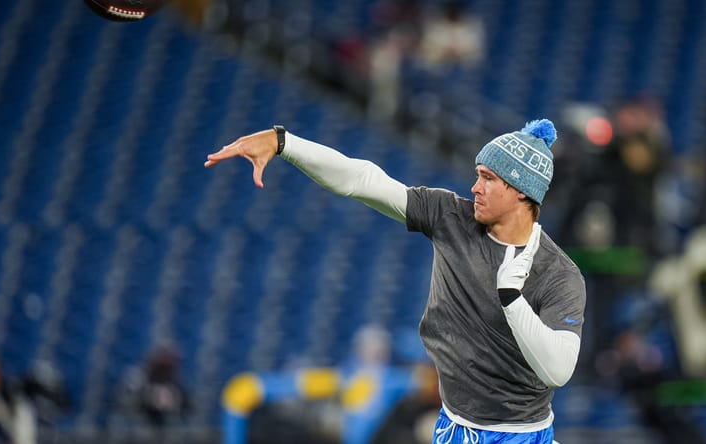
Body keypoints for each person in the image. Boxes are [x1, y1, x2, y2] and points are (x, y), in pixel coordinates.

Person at [205, 119, 586, 443]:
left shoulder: (558, 274)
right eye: (477, 176)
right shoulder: (451, 217)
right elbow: (363, 179)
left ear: (521, 190)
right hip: (454, 427)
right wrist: (283, 143)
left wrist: (512, 299)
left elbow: (558, 371)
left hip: (524, 434)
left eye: (488, 178)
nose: (475, 187)